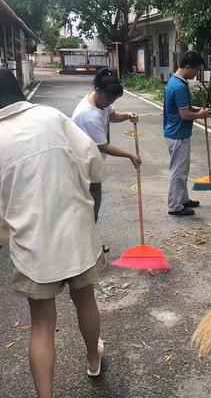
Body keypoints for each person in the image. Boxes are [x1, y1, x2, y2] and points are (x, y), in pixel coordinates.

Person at [0, 69, 107, 398]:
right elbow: (93, 162)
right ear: (19, 91)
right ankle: (93, 360)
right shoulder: (50, 116)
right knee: (85, 299)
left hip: (32, 244)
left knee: (42, 324)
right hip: (74, 232)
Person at [72, 67, 141, 224]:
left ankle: (90, 240)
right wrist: (130, 155)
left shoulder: (100, 101)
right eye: (109, 98)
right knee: (90, 205)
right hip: (82, 166)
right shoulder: (88, 115)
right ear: (98, 90)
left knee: (93, 204)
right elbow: (104, 146)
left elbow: (112, 115)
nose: (111, 102)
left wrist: (126, 115)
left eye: (114, 99)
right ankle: (88, 244)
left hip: (91, 161)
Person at [163, 51, 211, 216]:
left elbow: (183, 108)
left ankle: (183, 199)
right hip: (178, 134)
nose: (196, 74)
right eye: (196, 70)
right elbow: (184, 115)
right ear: (188, 67)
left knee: (182, 169)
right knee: (178, 171)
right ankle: (174, 206)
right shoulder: (179, 86)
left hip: (177, 132)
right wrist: (200, 115)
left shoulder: (176, 81)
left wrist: (198, 109)